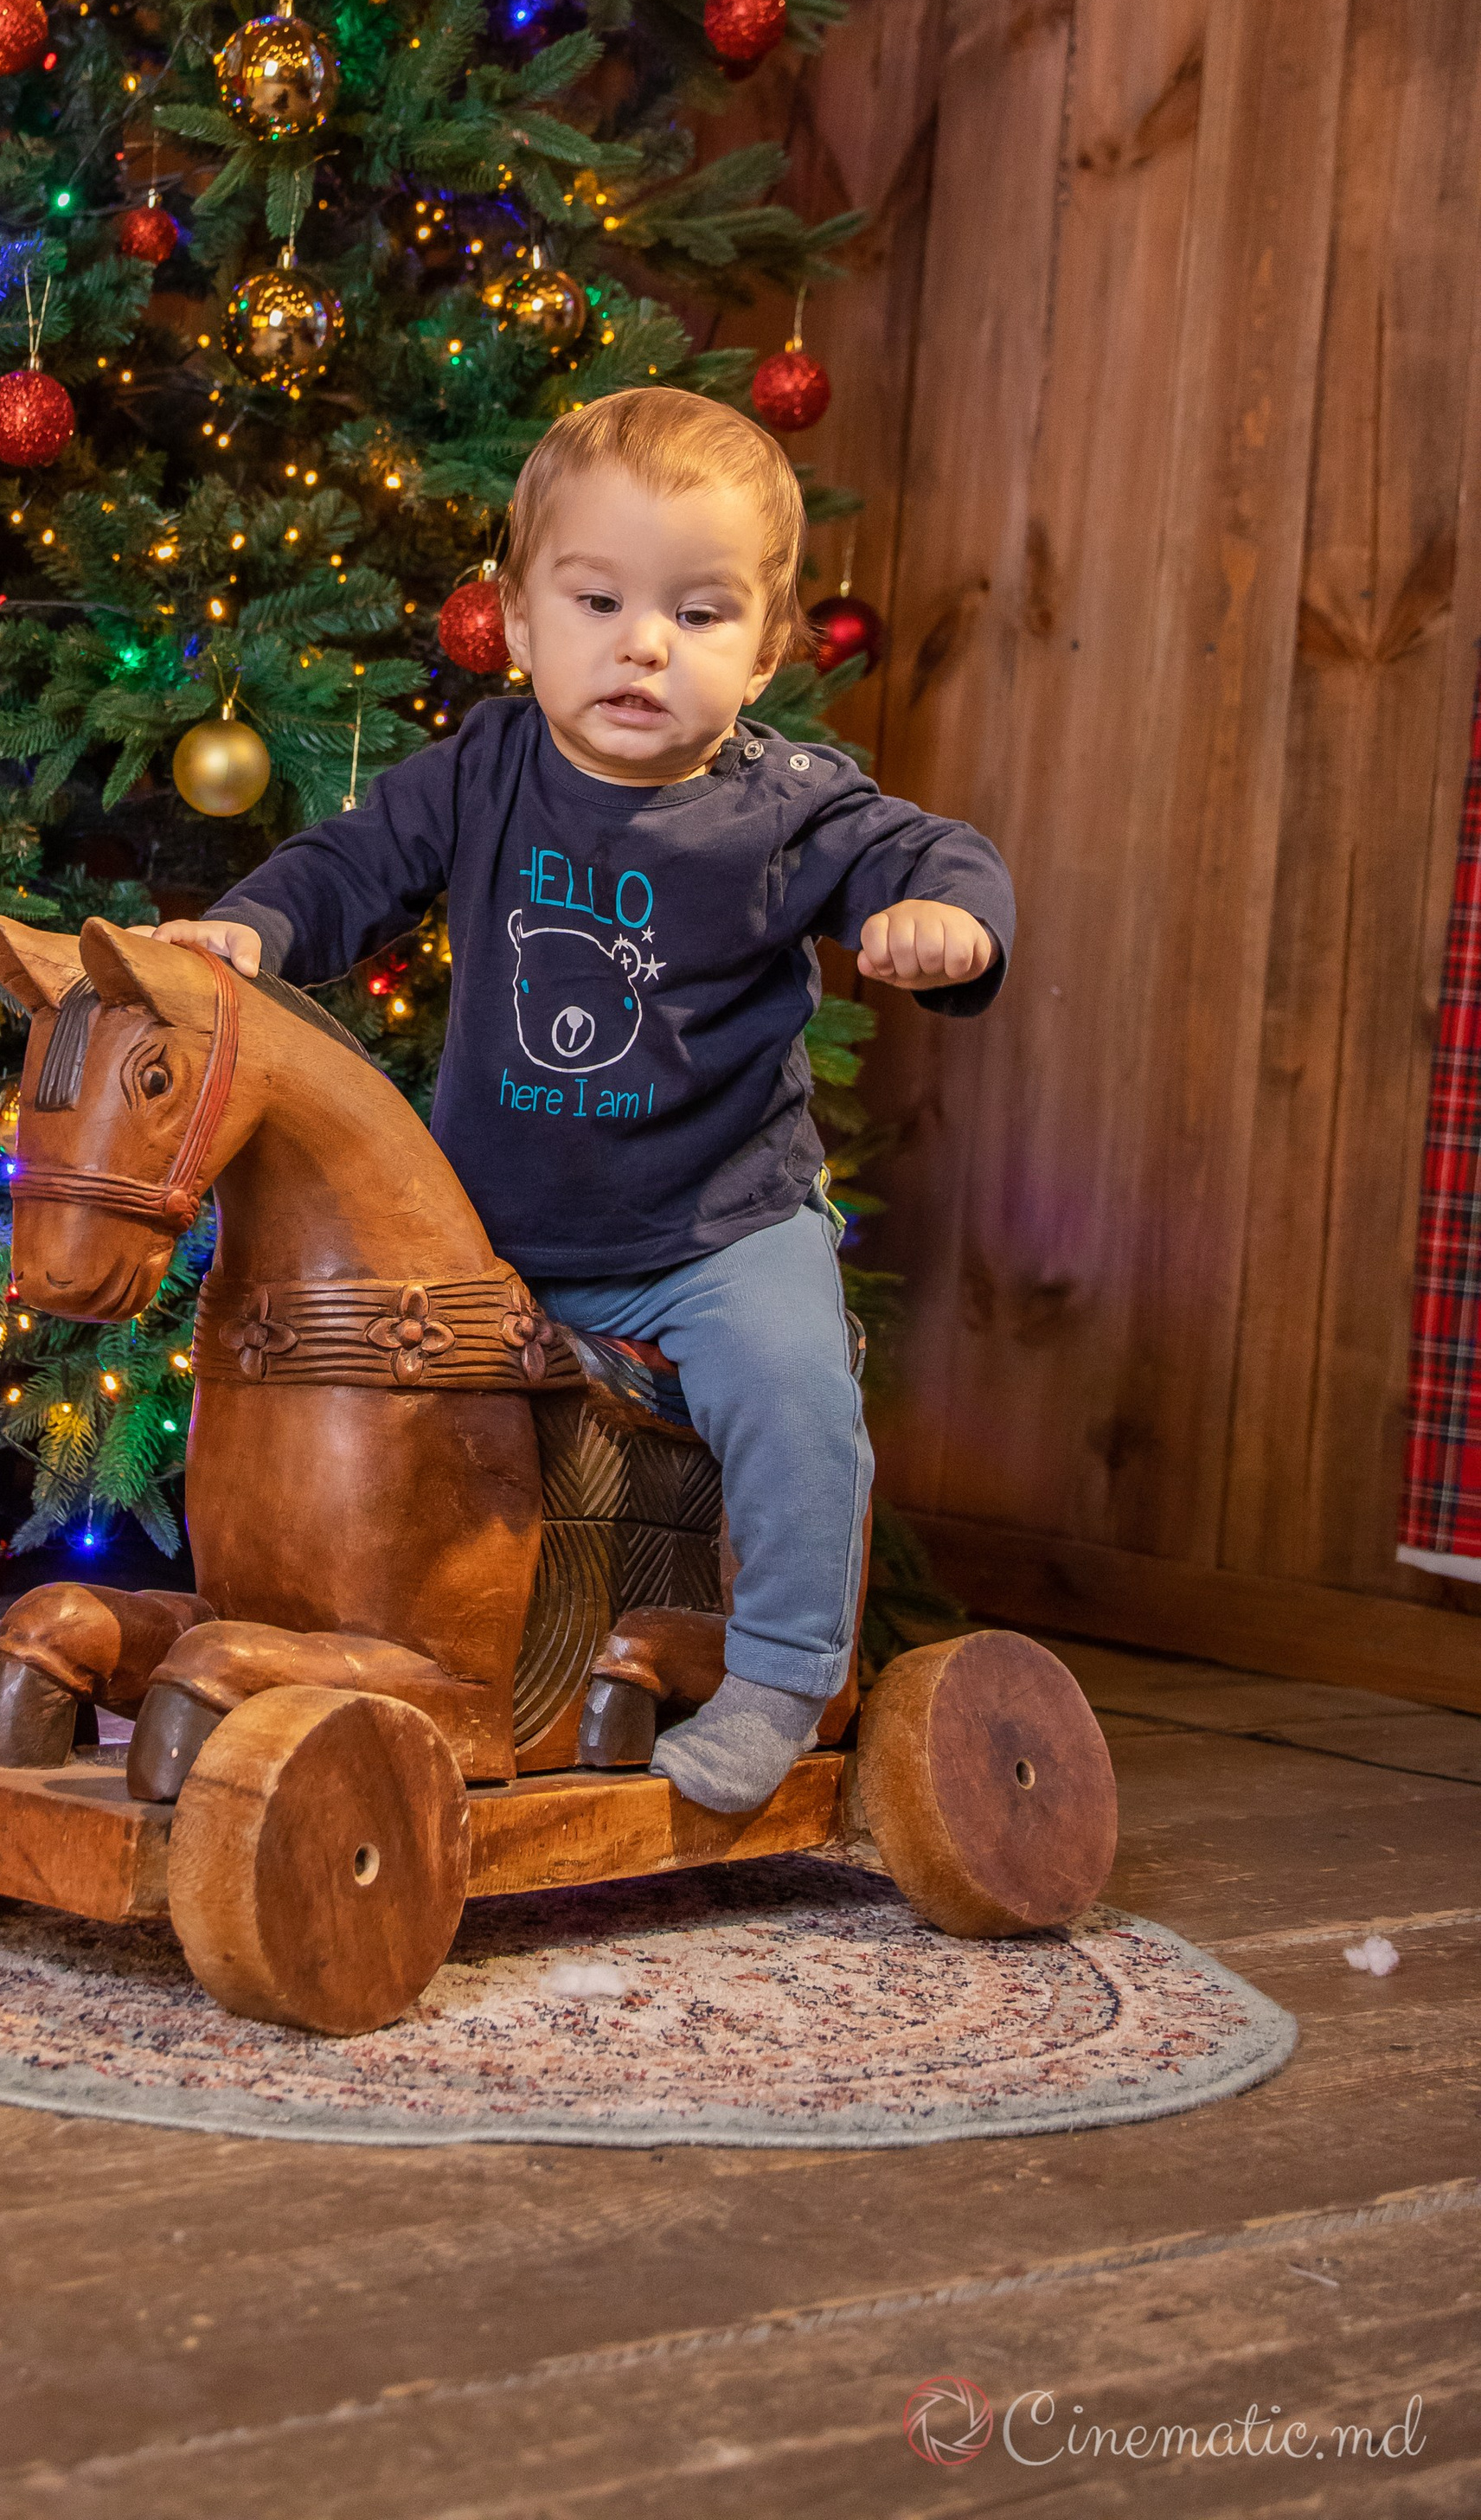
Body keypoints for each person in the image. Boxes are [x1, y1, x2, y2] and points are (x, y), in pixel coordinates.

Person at [145, 385, 1013, 1814]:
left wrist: (943, 919)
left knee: (796, 1391)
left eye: (703, 612)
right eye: (599, 599)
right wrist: (251, 932)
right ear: (521, 617)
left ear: (770, 647)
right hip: (501, 1235)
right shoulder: (484, 772)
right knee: (359, 1374)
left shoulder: (790, 807)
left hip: (712, 1231)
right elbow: (347, 868)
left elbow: (937, 852)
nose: (645, 645)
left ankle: (785, 1673)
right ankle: (391, 1635)